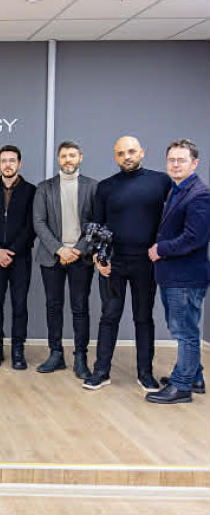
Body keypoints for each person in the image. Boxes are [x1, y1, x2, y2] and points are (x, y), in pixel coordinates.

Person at [83, 136, 171, 391]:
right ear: (115, 157)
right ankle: (101, 372)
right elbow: (97, 224)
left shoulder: (161, 182)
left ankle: (145, 373)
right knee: (109, 316)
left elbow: (173, 218)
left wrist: (163, 249)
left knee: (143, 318)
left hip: (146, 263)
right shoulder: (106, 187)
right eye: (121, 153)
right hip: (113, 263)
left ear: (142, 152)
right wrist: (98, 257)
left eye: (131, 151)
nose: (127, 157)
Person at [146, 139, 209, 404]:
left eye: (181, 160)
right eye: (171, 160)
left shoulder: (199, 195)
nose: (175, 164)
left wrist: (161, 248)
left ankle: (181, 386)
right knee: (184, 328)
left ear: (194, 164)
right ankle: (194, 377)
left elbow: (195, 238)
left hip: (185, 276)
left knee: (184, 332)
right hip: (175, 275)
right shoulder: (178, 189)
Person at [32, 141, 97, 378]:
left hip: (81, 257)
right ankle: (56, 354)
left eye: (72, 155)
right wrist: (60, 249)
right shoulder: (44, 188)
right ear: (58, 159)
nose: (68, 160)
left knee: (80, 308)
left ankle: (80, 358)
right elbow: (39, 222)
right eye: (63, 156)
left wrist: (78, 249)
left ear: (80, 158)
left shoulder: (93, 187)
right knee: (53, 306)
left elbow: (96, 223)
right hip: (52, 257)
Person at [0, 145, 36, 370]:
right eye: (4, 161)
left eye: (12, 160)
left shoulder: (31, 191)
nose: (8, 165)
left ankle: (18, 350)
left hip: (20, 257)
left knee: (19, 304)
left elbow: (31, 226)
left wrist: (12, 250)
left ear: (19, 164)